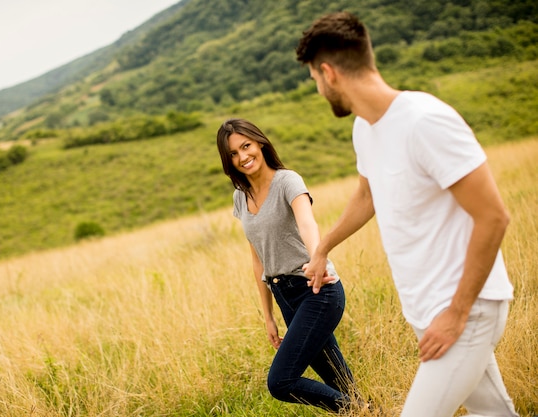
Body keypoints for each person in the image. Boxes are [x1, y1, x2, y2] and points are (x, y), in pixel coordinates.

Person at [295, 11, 518, 417]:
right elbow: (367, 197)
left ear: (328, 73)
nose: (318, 90)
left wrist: (457, 313)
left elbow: (494, 217)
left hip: (466, 308)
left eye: (314, 79)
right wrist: (324, 246)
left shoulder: (425, 120)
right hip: (428, 309)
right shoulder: (365, 127)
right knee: (494, 412)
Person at [216, 118, 357, 412]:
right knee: (342, 387)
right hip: (285, 297)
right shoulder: (240, 197)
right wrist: (268, 315)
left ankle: (371, 411)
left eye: (246, 146)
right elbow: (258, 260)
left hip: (316, 289)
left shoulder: (287, 180)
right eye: (233, 153)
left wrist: (318, 258)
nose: (243, 157)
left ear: (260, 143)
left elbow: (307, 223)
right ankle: (366, 410)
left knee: (281, 381)